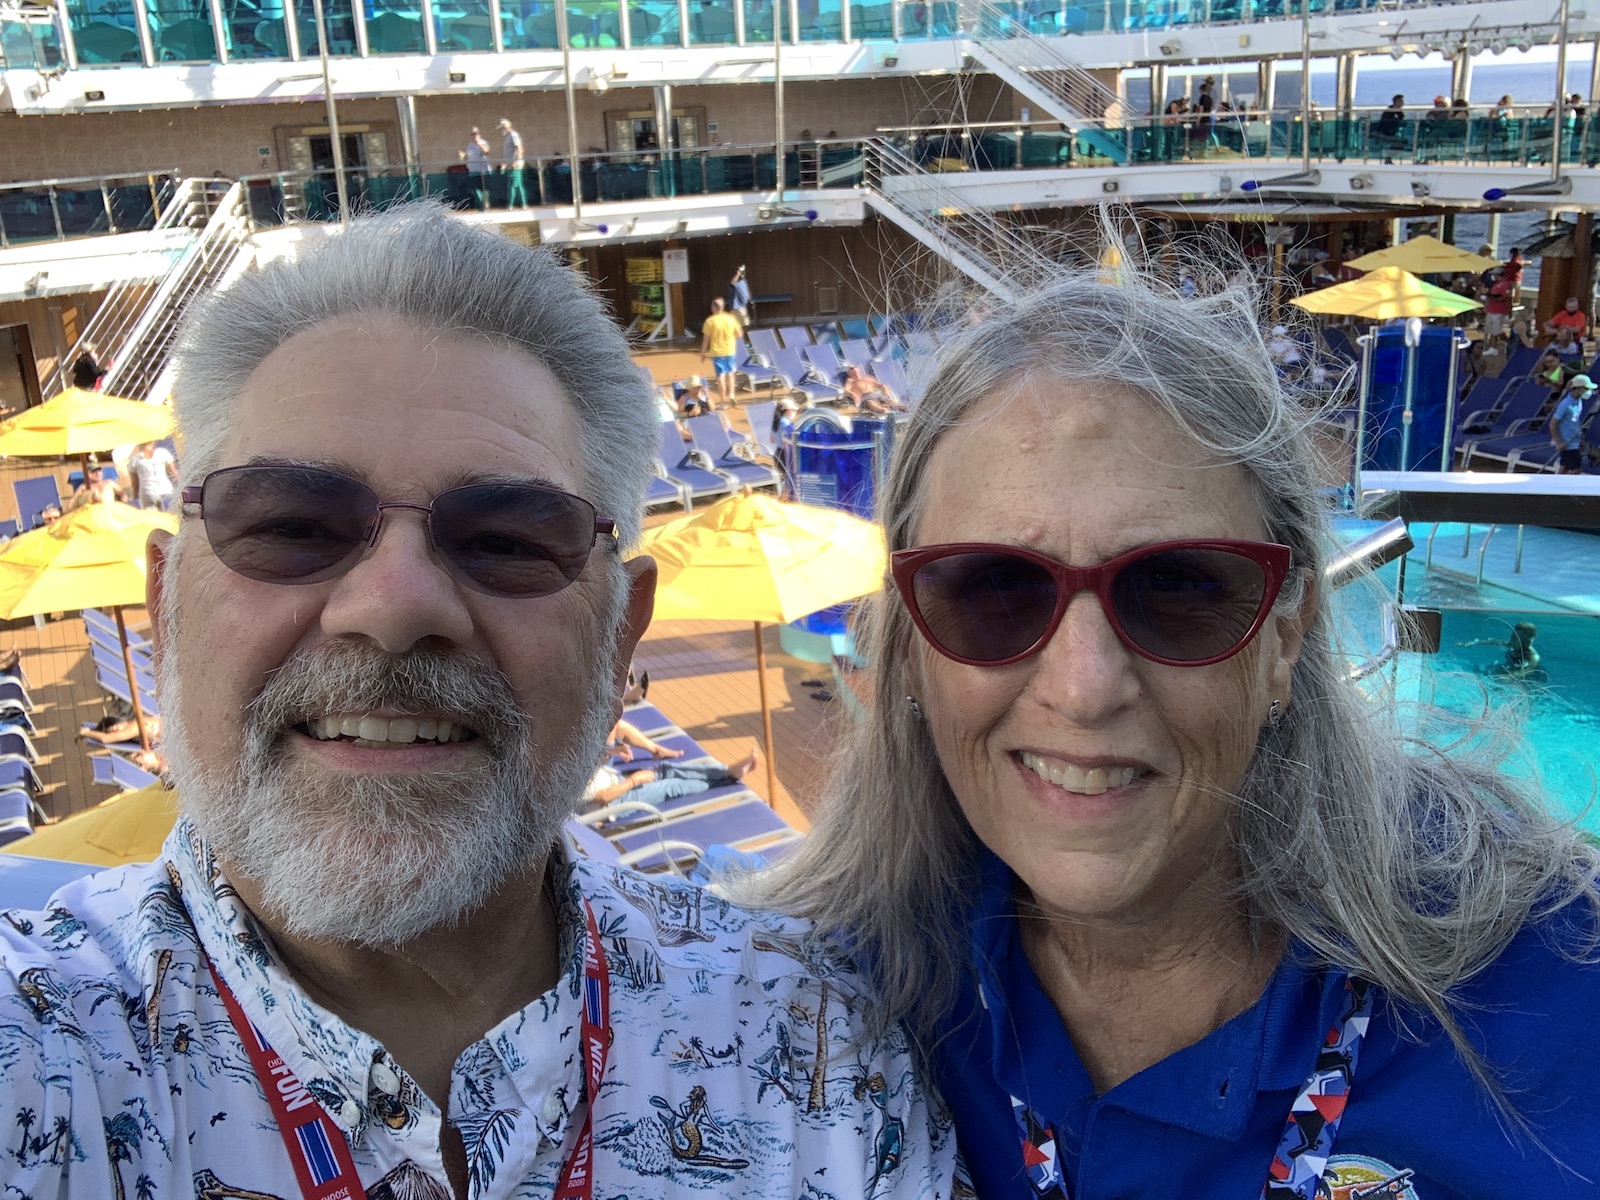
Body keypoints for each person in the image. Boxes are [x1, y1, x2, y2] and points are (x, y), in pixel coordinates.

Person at [0, 207, 954, 1198]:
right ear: (166, 609)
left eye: (504, 540)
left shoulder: (821, 1045)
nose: (393, 606)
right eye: (291, 526)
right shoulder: (32, 1043)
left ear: (620, 641)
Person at [750, 267, 1600, 1197]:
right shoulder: (816, 1004)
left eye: (1179, 587)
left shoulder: (1560, 994)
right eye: (995, 588)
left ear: (1285, 638)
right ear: (910, 648)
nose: (1084, 689)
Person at [586, 745, 761, 808]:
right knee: (673, 785)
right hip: (616, 801)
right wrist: (634, 780)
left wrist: (612, 751)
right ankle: (727, 777)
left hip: (618, 781)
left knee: (666, 770)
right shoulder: (572, 785)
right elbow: (604, 796)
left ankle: (729, 771)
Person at [699, 296, 743, 409]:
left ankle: (723, 401)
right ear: (722, 307)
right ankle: (732, 395)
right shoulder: (730, 318)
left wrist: (703, 353)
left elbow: (706, 339)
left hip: (717, 353)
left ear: (713, 308)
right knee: (730, 373)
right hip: (730, 350)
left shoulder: (710, 321)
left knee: (720, 376)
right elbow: (739, 334)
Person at [1461, 622, 1545, 680]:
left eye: (1515, 637)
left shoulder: (1533, 657)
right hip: (1513, 668)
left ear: (1526, 641)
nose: (1511, 639)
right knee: (1492, 669)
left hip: (1527, 677)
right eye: (1513, 635)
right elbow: (1493, 642)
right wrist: (1471, 643)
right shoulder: (1515, 644)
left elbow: (1525, 672)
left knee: (1502, 679)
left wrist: (1508, 677)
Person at [1548, 372, 1593, 473]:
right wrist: (1559, 442)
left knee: (1564, 467)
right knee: (1576, 470)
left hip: (1574, 442)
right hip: (1567, 443)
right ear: (1578, 388)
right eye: (1586, 388)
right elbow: (1553, 424)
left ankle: (1557, 482)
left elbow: (1574, 422)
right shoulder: (1565, 404)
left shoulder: (1579, 402)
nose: (1588, 391)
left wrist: (1580, 440)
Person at [127, 438, 178, 509]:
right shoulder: (162, 452)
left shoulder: (134, 459)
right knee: (171, 514)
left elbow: (135, 484)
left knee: (153, 516)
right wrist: (181, 489)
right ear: (153, 441)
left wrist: (136, 500)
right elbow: (174, 474)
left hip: (147, 495)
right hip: (166, 490)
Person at [498, 117, 528, 208]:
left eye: (502, 128)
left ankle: (512, 204)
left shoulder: (513, 135)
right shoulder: (508, 136)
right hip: (510, 164)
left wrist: (516, 161)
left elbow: (519, 148)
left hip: (515, 164)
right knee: (515, 184)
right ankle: (522, 204)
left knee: (514, 185)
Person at [463, 125, 491, 209]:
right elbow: (469, 156)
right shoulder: (470, 145)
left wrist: (479, 143)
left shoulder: (483, 142)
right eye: (472, 134)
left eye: (475, 133)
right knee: (473, 189)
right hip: (473, 171)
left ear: (479, 134)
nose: (474, 135)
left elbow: (487, 152)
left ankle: (485, 204)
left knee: (484, 189)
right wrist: (464, 156)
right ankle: (481, 203)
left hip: (482, 170)